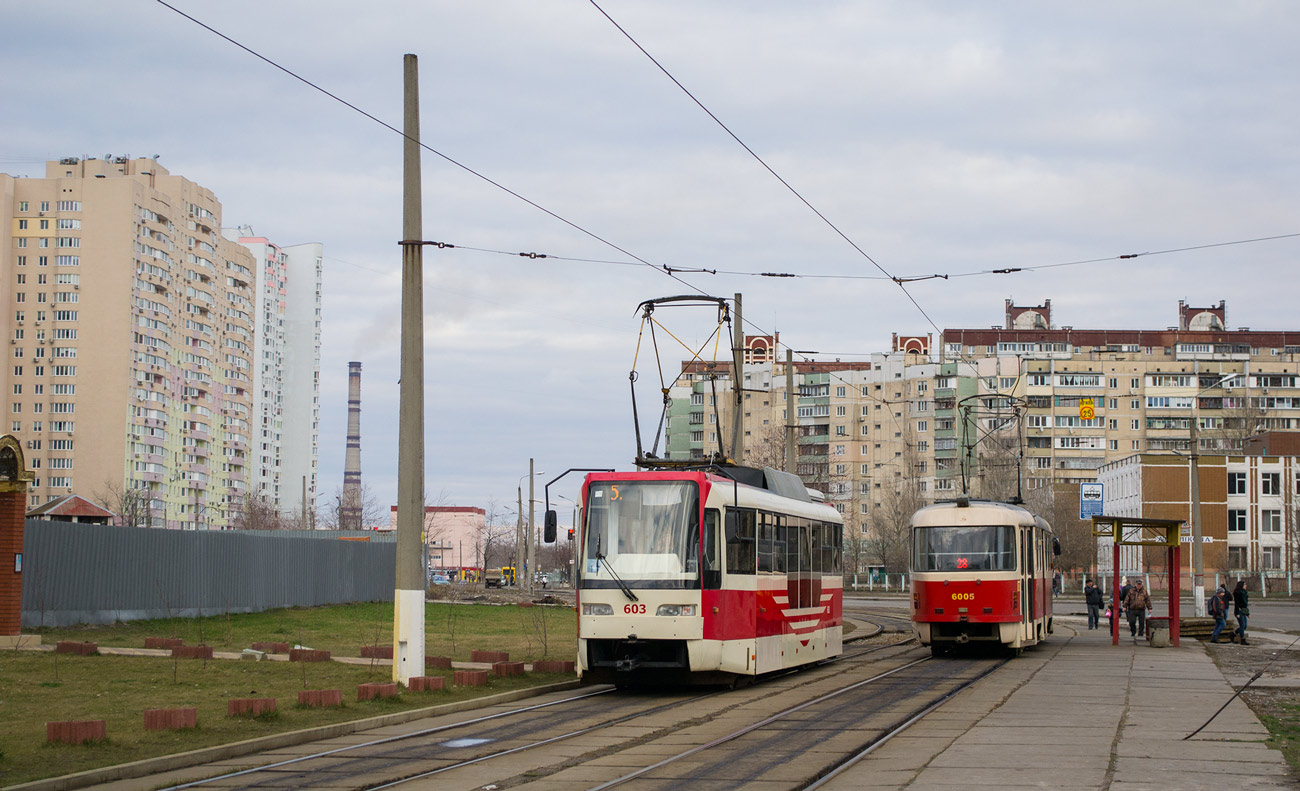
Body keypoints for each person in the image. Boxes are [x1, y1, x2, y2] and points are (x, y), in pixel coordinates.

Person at [1232, 579, 1250, 645]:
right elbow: (1236, 603)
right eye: (1244, 585)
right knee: (1242, 625)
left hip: (1243, 610)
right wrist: (1237, 613)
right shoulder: (1237, 593)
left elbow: (1245, 604)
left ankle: (1233, 634)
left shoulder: (1245, 593)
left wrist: (1247, 613)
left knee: (1245, 626)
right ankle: (1242, 639)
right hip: (1239, 610)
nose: (1246, 586)